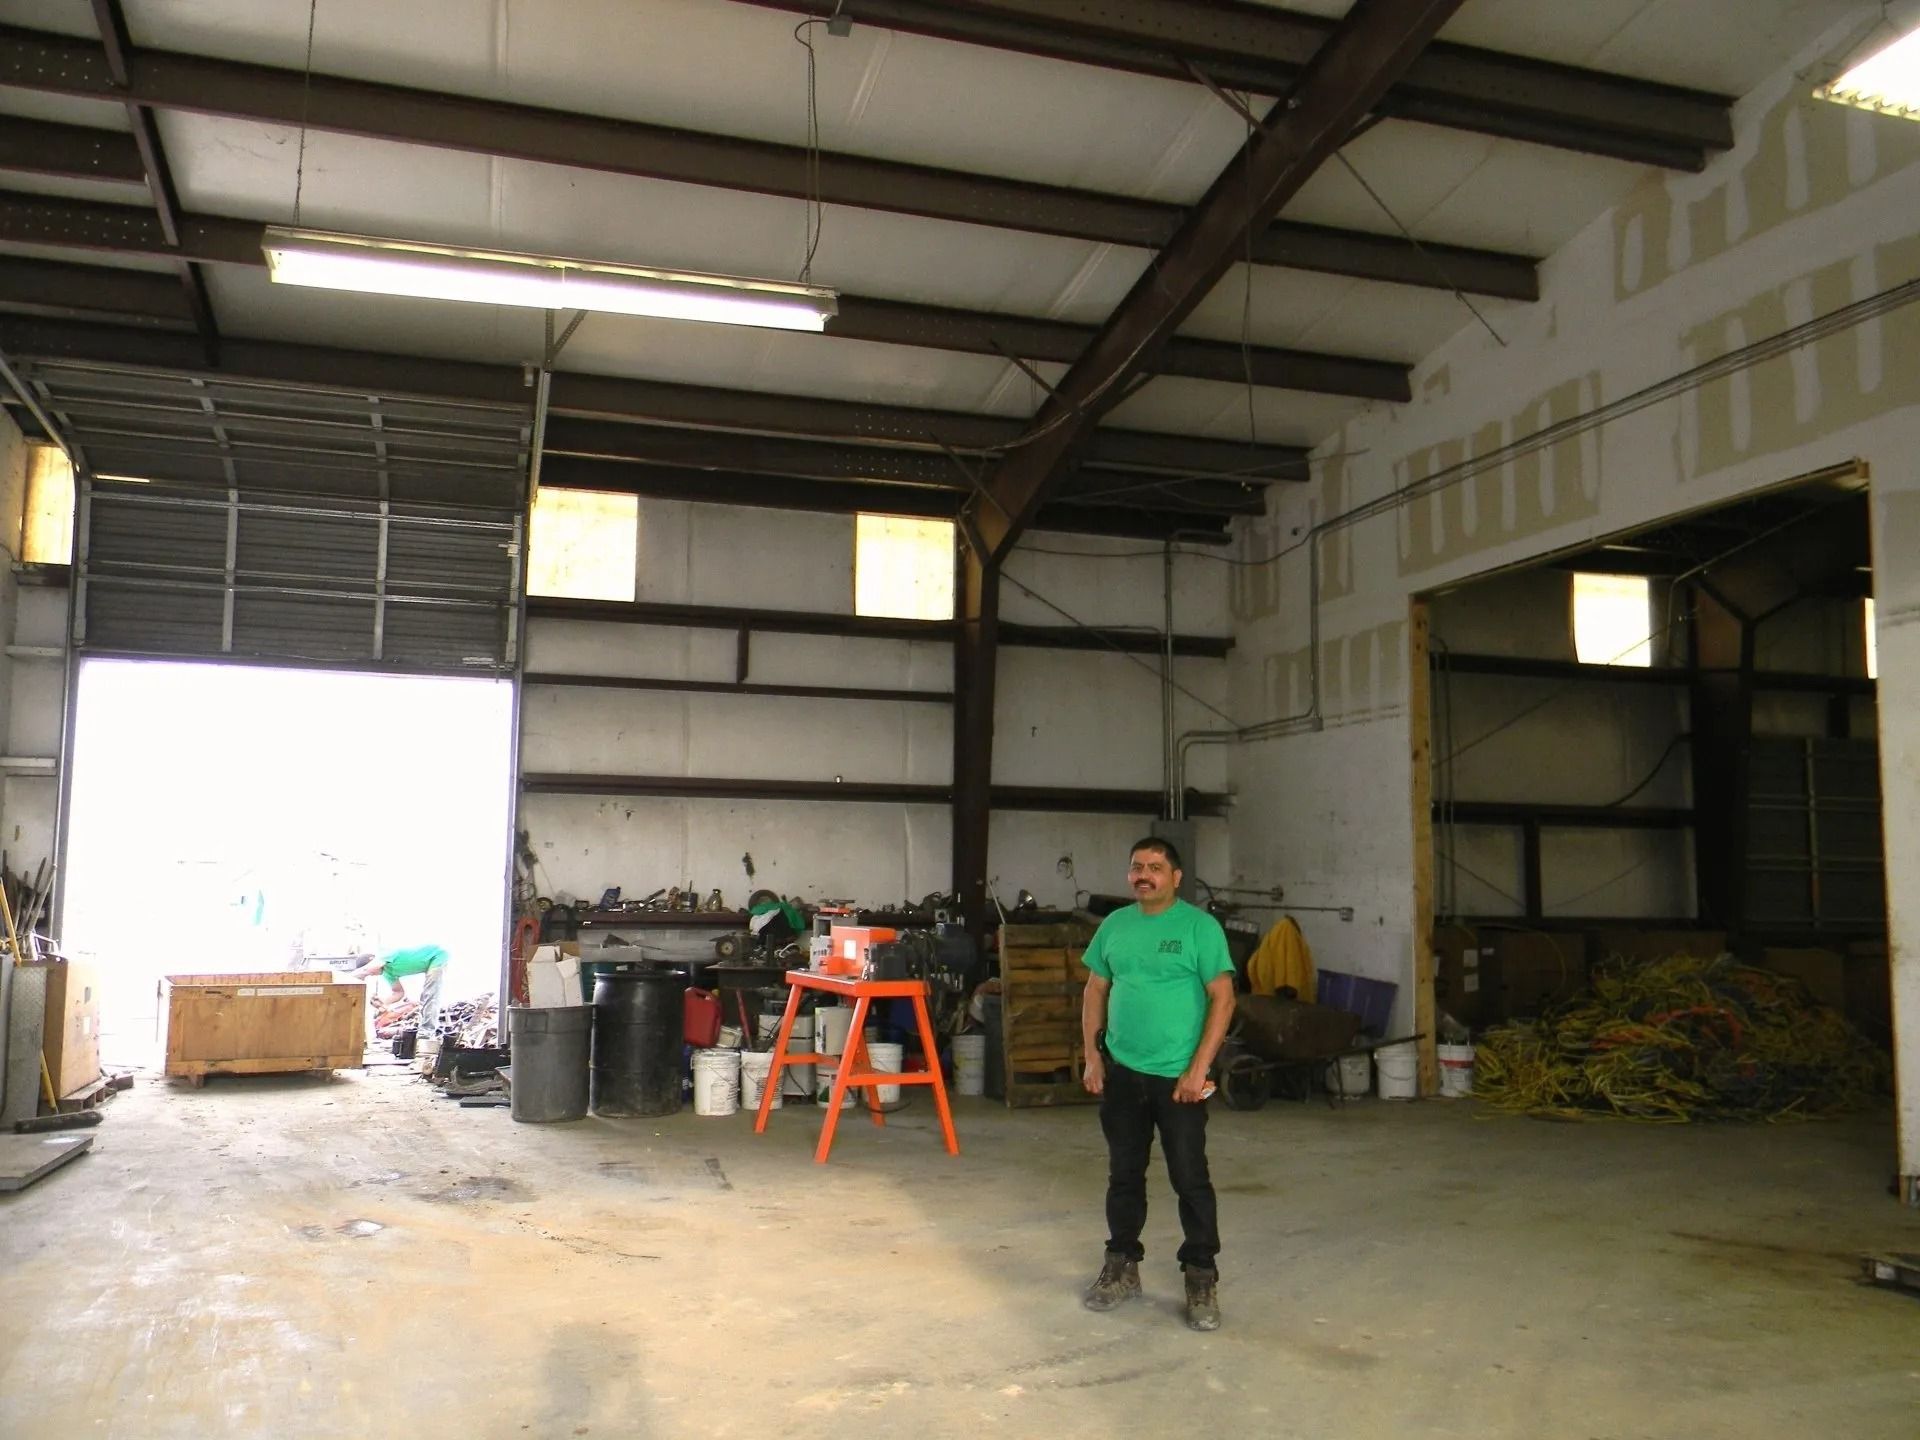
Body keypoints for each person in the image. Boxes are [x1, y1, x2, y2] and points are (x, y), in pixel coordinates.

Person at [1079, 837, 1236, 1331]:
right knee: (1124, 1175)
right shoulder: (1114, 926)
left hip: (1178, 1080)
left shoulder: (1199, 927)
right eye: (1136, 867)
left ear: (1176, 876)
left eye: (1155, 867)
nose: (1144, 874)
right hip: (1124, 1072)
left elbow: (1223, 999)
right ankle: (1122, 1266)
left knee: (1189, 1178)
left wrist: (1199, 1068)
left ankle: (1200, 1277)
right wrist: (1092, 1056)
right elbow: (1095, 989)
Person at [353, 944, 450, 1038]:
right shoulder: (388, 973)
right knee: (425, 996)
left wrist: (355, 977)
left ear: (372, 961)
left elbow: (371, 968)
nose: (372, 975)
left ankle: (427, 1031)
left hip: (437, 955)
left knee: (430, 993)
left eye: (370, 973)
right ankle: (425, 1028)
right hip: (430, 961)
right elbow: (398, 993)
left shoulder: (385, 954)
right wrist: (383, 1002)